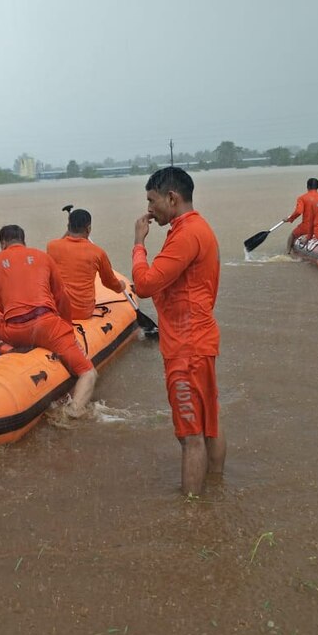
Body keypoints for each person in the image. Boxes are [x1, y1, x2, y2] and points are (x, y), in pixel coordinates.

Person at [132, 167, 225, 497]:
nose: (149, 209)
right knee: (209, 425)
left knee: (190, 436)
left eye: (151, 201)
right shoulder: (196, 228)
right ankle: (215, 490)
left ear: (171, 198)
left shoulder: (185, 235)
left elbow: (144, 285)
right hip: (201, 340)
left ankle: (191, 516)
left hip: (186, 348)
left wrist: (138, 244)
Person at [0, 225, 97, 417]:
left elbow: (1, 307)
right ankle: (74, 412)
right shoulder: (43, 257)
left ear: (3, 243)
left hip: (13, 331)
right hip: (47, 327)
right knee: (88, 372)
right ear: (23, 240)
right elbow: (61, 297)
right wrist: (67, 327)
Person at [46, 208, 126, 320]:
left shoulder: (51, 246)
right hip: (83, 312)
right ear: (88, 229)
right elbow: (109, 283)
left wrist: (69, 229)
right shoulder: (98, 253)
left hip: (58, 310)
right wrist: (121, 286)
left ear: (68, 227)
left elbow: (61, 243)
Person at [284, 178, 318, 251]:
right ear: (317, 187)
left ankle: (288, 252)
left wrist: (290, 219)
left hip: (307, 227)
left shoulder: (302, 198)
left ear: (307, 186)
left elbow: (298, 212)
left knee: (292, 235)